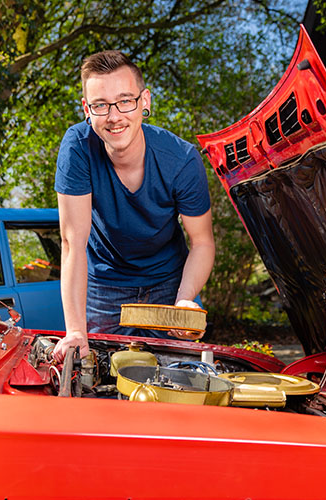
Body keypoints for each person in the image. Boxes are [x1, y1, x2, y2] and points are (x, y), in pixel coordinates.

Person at [52, 50, 215, 362]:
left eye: (125, 100)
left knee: (178, 380)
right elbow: (73, 243)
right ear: (87, 109)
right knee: (98, 379)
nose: (114, 116)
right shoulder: (77, 148)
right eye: (101, 105)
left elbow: (203, 241)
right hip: (104, 285)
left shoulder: (181, 160)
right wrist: (75, 330)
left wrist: (185, 300)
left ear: (145, 102)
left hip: (170, 281)